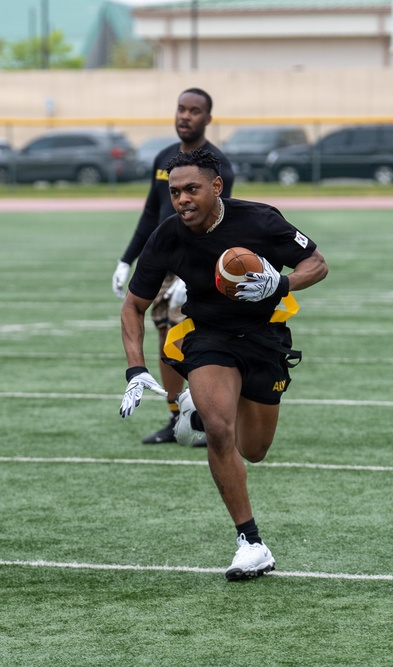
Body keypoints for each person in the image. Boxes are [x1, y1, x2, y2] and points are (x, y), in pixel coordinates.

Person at [118, 149, 328, 581]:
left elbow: (317, 264)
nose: (182, 200)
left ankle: (202, 407)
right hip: (209, 337)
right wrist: (135, 369)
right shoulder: (168, 235)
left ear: (216, 187)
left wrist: (281, 282)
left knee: (254, 449)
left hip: (264, 339)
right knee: (218, 429)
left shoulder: (260, 220)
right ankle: (251, 542)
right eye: (175, 192)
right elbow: (133, 306)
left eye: (191, 189)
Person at [112, 88, 235, 446]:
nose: (185, 116)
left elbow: (222, 222)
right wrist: (126, 259)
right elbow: (151, 213)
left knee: (195, 341)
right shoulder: (164, 158)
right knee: (166, 338)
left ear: (207, 118)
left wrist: (198, 271)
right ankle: (175, 416)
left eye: (194, 111)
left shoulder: (218, 165)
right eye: (181, 108)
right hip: (164, 262)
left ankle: (210, 418)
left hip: (199, 264)